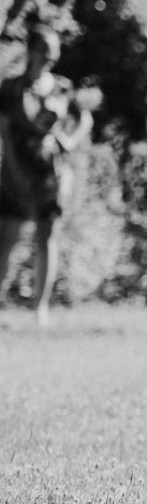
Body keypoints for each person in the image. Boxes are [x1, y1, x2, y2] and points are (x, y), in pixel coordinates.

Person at [0, 27, 94, 326]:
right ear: (31, 50)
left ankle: (40, 308)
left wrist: (69, 141)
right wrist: (11, 167)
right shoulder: (11, 87)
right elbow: (3, 130)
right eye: (45, 49)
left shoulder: (62, 88)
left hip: (50, 173)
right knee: (7, 238)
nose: (51, 56)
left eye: (54, 50)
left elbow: (85, 119)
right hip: (16, 168)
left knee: (46, 237)